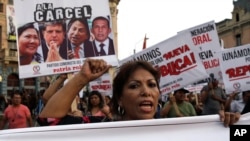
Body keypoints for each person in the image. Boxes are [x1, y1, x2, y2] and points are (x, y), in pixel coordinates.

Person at [38, 59, 239, 127]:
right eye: (134, 86)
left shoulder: (176, 130)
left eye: (152, 85)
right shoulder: (97, 128)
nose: (146, 92)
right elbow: (49, 119)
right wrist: (81, 78)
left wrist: (231, 127)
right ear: (120, 99)